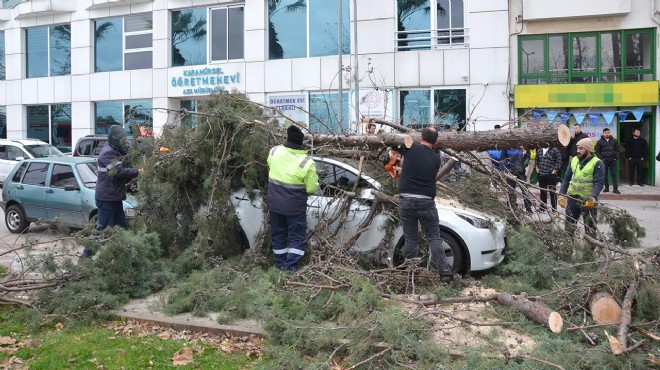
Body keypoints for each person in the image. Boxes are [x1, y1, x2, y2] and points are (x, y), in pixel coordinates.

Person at [397, 127, 453, 283]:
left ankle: (411, 274)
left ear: (420, 137)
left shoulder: (410, 149)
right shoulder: (437, 159)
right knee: (434, 238)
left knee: (411, 239)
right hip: (426, 201)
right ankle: (444, 273)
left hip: (406, 200)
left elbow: (394, 146)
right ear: (436, 142)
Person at [267, 125, 319, 271]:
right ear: (301, 143)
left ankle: (280, 265)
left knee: (279, 234)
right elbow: (311, 188)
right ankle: (290, 268)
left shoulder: (274, 151)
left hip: (275, 205)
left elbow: (270, 166)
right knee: (297, 237)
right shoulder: (307, 162)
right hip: (294, 209)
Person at [95, 125, 142, 231]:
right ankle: (89, 248)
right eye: (122, 138)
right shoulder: (107, 153)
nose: (124, 140)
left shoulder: (116, 149)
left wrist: (139, 142)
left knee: (121, 227)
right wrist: (138, 171)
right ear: (115, 138)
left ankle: (122, 247)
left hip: (114, 196)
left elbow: (130, 152)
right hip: (106, 197)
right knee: (104, 229)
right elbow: (118, 171)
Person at [559, 138, 605, 238]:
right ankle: (568, 251)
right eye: (577, 148)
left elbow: (599, 183)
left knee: (590, 230)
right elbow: (566, 178)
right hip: (572, 198)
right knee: (569, 229)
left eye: (581, 149)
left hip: (588, 201)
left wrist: (592, 197)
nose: (578, 151)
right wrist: (561, 194)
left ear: (588, 150)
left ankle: (589, 252)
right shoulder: (574, 160)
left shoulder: (597, 163)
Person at [504, 146, 532, 213]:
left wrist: (522, 166)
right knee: (511, 190)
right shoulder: (506, 148)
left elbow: (528, 158)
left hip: (521, 173)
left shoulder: (523, 148)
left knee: (524, 190)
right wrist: (507, 169)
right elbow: (503, 160)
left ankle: (528, 209)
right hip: (510, 173)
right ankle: (511, 207)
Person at [594, 128, 620, 194]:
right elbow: (597, 151)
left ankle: (615, 189)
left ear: (609, 133)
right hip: (604, 161)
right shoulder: (600, 141)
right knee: (605, 175)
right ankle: (606, 188)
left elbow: (618, 149)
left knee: (614, 174)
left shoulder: (614, 141)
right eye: (605, 133)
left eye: (608, 132)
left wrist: (616, 158)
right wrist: (601, 158)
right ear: (603, 133)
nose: (607, 134)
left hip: (612, 160)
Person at [535, 146, 561, 210]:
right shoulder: (540, 150)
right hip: (541, 174)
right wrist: (537, 168)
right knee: (543, 192)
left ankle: (554, 209)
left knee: (552, 192)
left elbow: (559, 161)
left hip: (551, 175)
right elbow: (537, 159)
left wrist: (554, 171)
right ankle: (543, 208)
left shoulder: (555, 149)